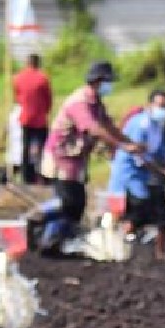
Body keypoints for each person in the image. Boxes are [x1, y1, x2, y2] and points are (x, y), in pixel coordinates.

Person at [40, 60, 143, 252]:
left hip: (76, 158)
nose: (109, 86)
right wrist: (121, 146)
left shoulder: (96, 103)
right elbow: (94, 129)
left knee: (78, 201)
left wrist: (130, 143)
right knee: (67, 201)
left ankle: (63, 239)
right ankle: (44, 230)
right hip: (61, 157)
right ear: (97, 81)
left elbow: (108, 125)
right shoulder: (79, 102)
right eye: (107, 81)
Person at [108, 89, 165, 258]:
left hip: (147, 173)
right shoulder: (140, 123)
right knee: (140, 206)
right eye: (160, 105)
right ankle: (119, 241)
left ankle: (158, 251)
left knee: (161, 211)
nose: (163, 109)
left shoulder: (158, 125)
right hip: (130, 172)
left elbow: (161, 151)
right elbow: (138, 155)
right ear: (150, 105)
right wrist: (162, 170)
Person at [12, 53, 52, 184]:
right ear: (38, 63)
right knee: (43, 148)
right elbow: (48, 99)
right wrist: (45, 111)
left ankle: (26, 176)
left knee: (25, 147)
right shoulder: (43, 78)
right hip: (40, 118)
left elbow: (17, 97)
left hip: (25, 118)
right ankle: (42, 175)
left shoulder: (18, 78)